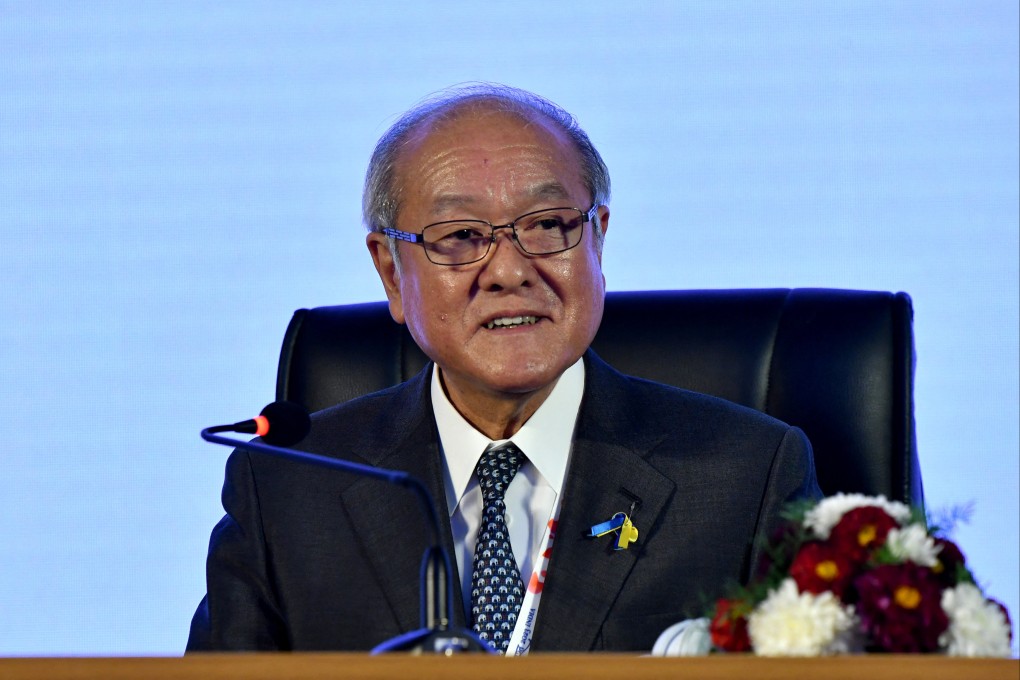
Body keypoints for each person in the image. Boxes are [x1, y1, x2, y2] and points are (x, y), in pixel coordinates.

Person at [187, 83, 821, 654]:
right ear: (391, 273)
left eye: (547, 224)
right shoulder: (287, 489)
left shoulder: (747, 477)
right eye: (460, 236)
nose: (511, 270)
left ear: (597, 239)